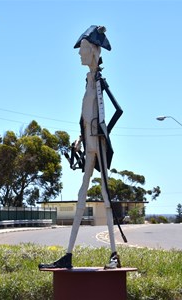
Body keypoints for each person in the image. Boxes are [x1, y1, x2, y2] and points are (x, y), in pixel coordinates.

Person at [39, 25, 123, 270]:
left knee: (105, 197)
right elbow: (87, 115)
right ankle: (68, 255)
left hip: (98, 144)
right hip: (88, 144)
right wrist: (81, 136)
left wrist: (103, 132)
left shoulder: (98, 82)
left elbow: (118, 109)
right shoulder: (88, 82)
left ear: (94, 53)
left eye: (84, 49)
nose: (80, 54)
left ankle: (114, 255)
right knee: (81, 197)